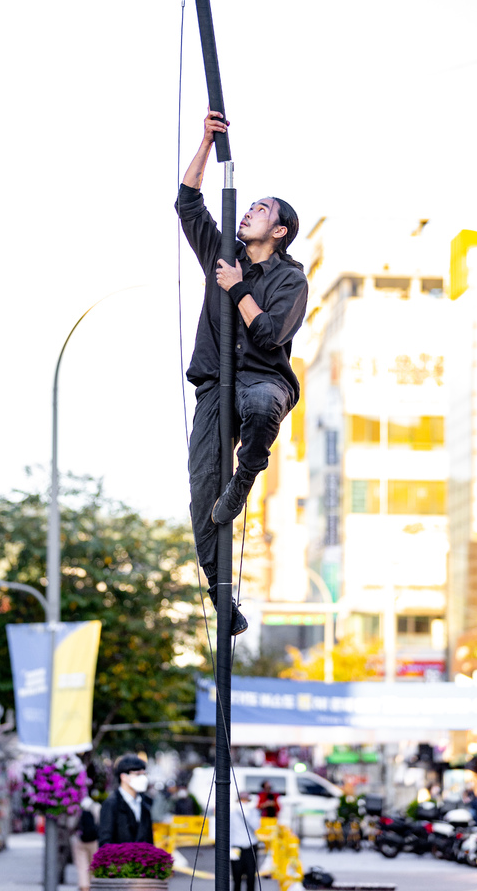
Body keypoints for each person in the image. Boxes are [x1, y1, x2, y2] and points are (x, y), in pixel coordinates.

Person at [177, 110, 308, 634]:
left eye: (260, 209)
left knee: (257, 407)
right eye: (248, 206)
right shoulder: (222, 253)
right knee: (202, 492)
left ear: (278, 230)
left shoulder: (289, 278)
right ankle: (220, 597)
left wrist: (237, 288)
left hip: (263, 382)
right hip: (214, 385)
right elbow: (188, 205)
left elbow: (270, 334)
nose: (248, 212)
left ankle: (248, 476)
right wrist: (206, 143)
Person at [98, 755, 153, 846]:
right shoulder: (111, 804)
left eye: (144, 774)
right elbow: (105, 842)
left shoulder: (145, 802)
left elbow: (149, 839)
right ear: (123, 777)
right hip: (120, 859)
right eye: (138, 774)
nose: (143, 778)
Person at [229, 791, 261, 891]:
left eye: (246, 800)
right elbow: (229, 832)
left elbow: (256, 826)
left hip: (250, 847)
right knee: (236, 876)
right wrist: (230, 849)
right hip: (236, 847)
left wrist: (246, 815)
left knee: (251, 876)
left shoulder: (253, 812)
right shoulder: (232, 814)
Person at [70, 794, 101, 891]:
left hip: (80, 841)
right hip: (95, 841)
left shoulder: (76, 808)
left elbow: (71, 824)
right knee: (94, 866)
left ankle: (84, 888)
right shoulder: (97, 807)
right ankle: (93, 886)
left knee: (82, 867)